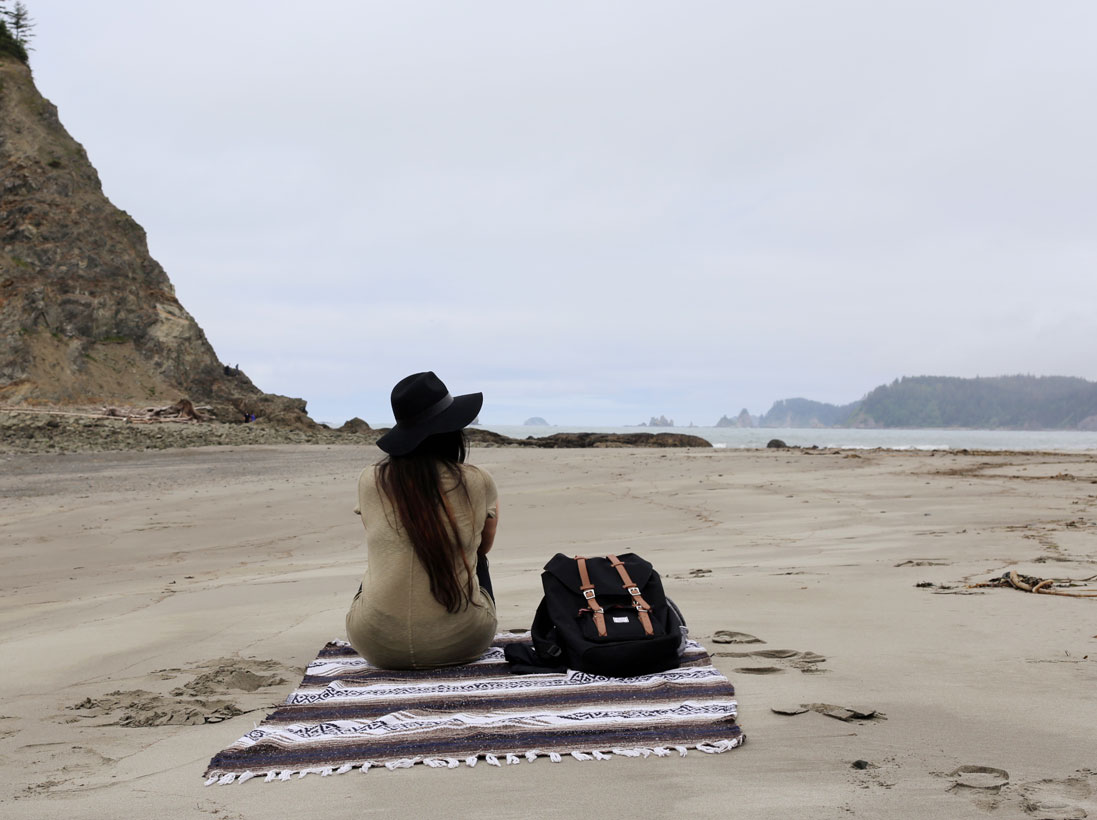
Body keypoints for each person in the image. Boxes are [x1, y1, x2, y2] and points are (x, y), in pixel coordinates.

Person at [345, 372, 499, 669]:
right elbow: (484, 546)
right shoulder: (478, 480)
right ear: (453, 430)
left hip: (375, 644)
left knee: (386, 558)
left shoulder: (370, 480)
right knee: (476, 558)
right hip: (462, 639)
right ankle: (457, 619)